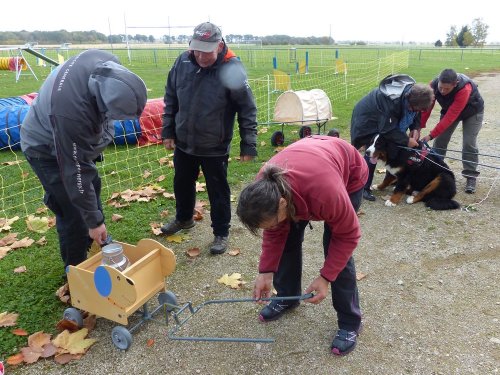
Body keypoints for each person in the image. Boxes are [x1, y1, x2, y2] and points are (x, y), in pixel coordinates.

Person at [237, 135, 368, 356]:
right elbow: (274, 231)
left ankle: (350, 322)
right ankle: (288, 297)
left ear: (282, 203)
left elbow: (348, 235)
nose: (271, 228)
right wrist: (266, 272)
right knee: (286, 237)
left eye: (273, 222)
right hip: (309, 162)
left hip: (347, 172)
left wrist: (326, 277)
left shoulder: (325, 192)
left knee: (336, 249)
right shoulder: (265, 186)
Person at [20, 49, 147, 272]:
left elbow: (101, 124)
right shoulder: (70, 113)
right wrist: (93, 221)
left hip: (69, 137)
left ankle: (93, 240)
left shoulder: (108, 65)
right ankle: (76, 271)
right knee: (72, 211)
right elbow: (75, 171)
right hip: (44, 147)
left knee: (92, 188)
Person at [160, 22, 258, 255]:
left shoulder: (232, 68)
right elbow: (171, 97)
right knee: (181, 183)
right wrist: (168, 131)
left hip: (215, 144)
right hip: (184, 142)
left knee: (218, 191)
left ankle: (221, 233)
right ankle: (184, 219)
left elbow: (247, 109)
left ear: (220, 45)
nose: (201, 56)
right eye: (197, 49)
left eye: (207, 50)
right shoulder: (182, 62)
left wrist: (248, 144)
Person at [350, 74, 434, 201]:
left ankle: (389, 179)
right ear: (409, 100)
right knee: (372, 151)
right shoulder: (392, 101)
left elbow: (415, 113)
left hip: (384, 120)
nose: (416, 111)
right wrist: (406, 140)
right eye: (415, 108)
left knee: (391, 148)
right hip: (367, 120)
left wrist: (415, 128)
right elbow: (387, 129)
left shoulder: (413, 96)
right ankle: (363, 188)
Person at [421, 68, 484, 194]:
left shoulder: (464, 89)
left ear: (454, 84)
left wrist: (430, 135)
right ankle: (435, 171)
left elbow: (451, 116)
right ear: (438, 81)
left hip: (472, 112)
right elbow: (427, 108)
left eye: (447, 89)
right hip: (450, 110)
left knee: (469, 142)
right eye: (441, 87)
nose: (443, 91)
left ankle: (470, 175)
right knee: (440, 141)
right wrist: (418, 127)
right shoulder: (433, 85)